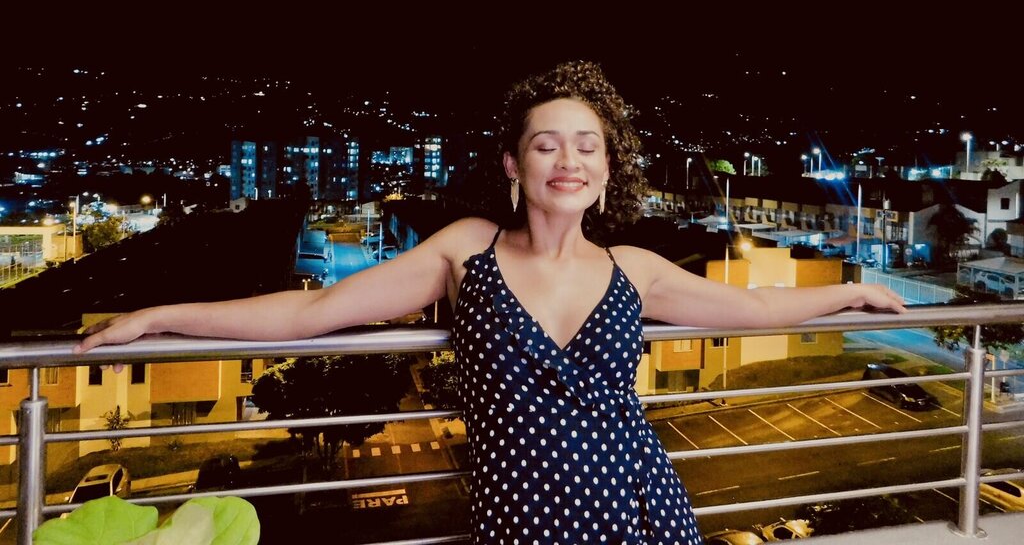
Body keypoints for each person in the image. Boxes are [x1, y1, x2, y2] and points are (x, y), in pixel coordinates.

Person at [77, 61, 905, 544]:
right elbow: (309, 313)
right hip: (524, 519)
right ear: (514, 165)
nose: (569, 160)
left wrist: (857, 290)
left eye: (588, 147)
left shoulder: (636, 269)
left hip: (640, 507)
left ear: (607, 170)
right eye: (547, 145)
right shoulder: (465, 252)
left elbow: (757, 310)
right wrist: (162, 316)